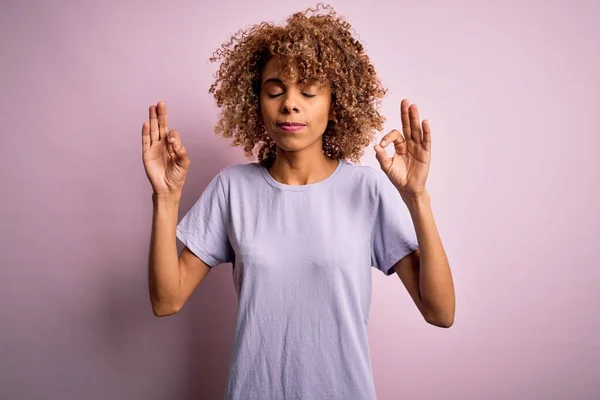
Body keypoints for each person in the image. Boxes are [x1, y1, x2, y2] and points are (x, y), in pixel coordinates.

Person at [142, 4, 455, 399]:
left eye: (307, 91)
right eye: (275, 90)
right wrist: (165, 197)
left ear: (334, 102)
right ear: (256, 100)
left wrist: (417, 198)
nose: (290, 103)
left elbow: (441, 312)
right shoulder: (232, 189)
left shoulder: (366, 190)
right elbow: (166, 301)